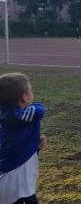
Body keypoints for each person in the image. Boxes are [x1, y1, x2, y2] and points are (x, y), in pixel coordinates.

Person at [0, 72, 47, 204]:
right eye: (30, 91)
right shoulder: (15, 116)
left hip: (9, 180)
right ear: (25, 97)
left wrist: (34, 146)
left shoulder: (7, 117)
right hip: (16, 186)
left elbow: (15, 145)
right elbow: (38, 111)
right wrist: (38, 106)